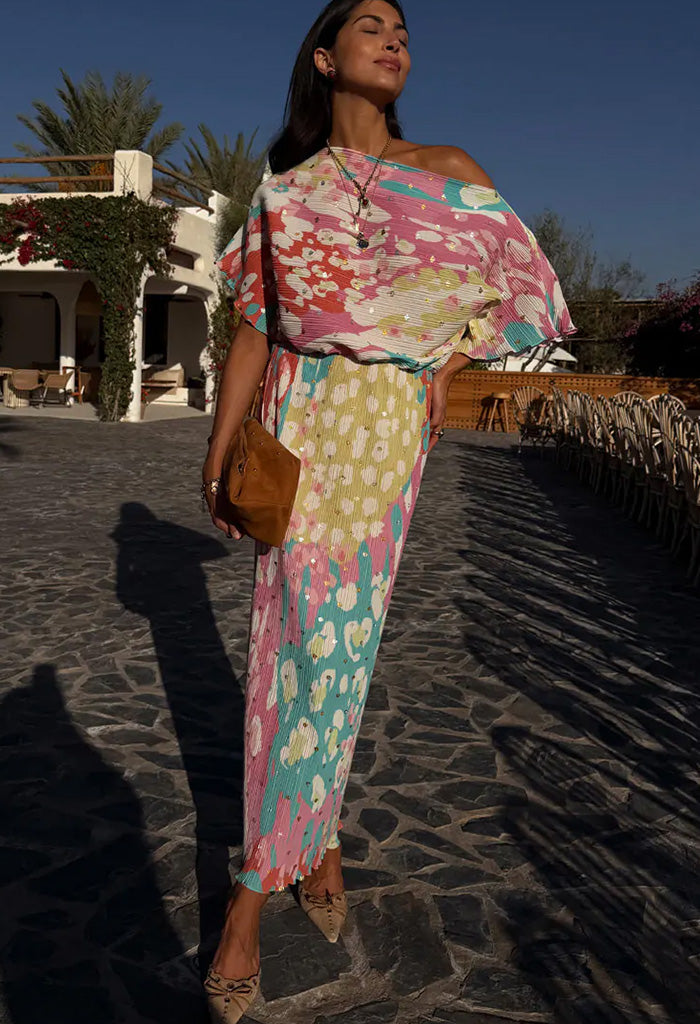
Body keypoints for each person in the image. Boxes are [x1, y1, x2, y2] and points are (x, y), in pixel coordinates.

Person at [201, 0, 576, 1018]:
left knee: (340, 646)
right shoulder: (287, 193)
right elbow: (254, 327)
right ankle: (295, 857)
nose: (395, 39)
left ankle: (267, 877)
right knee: (292, 643)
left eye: (402, 30)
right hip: (298, 416)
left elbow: (523, 295)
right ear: (325, 58)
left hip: (383, 431)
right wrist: (219, 447)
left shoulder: (448, 171)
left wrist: (443, 367)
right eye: (371, 26)